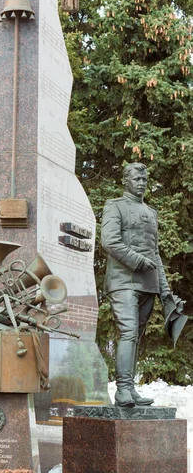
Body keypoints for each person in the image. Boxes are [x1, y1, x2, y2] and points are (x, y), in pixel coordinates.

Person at [101, 163, 170, 407]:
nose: (141, 182)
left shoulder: (151, 213)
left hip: (148, 284)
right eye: (136, 178)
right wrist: (138, 261)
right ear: (125, 180)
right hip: (123, 280)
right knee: (129, 332)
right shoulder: (115, 206)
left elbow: (156, 253)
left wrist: (165, 288)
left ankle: (130, 388)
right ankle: (122, 390)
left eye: (144, 179)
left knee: (136, 337)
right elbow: (110, 241)